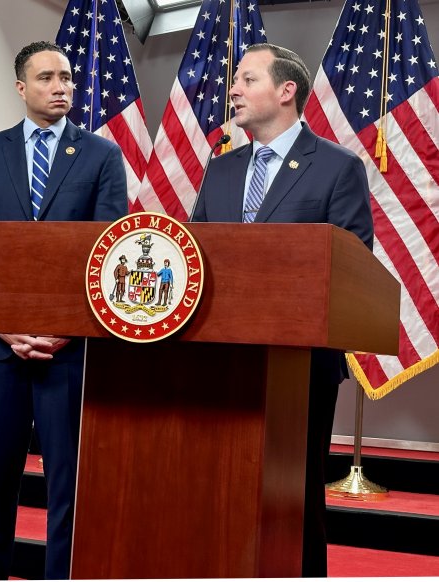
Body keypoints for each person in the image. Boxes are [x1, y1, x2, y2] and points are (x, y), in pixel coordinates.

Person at [0, 41, 128, 580]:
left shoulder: (100, 155)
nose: (61, 87)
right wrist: (3, 323)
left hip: (68, 351)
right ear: (21, 87)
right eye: (47, 78)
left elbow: (109, 252)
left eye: (68, 77)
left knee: (66, 486)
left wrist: (63, 328)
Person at [193, 43, 373, 577]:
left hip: (301, 367)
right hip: (220, 363)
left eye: (247, 80)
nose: (233, 90)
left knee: (293, 504)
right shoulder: (220, 171)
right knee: (222, 496)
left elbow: (349, 267)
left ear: (286, 90)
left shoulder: (338, 169)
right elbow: (199, 258)